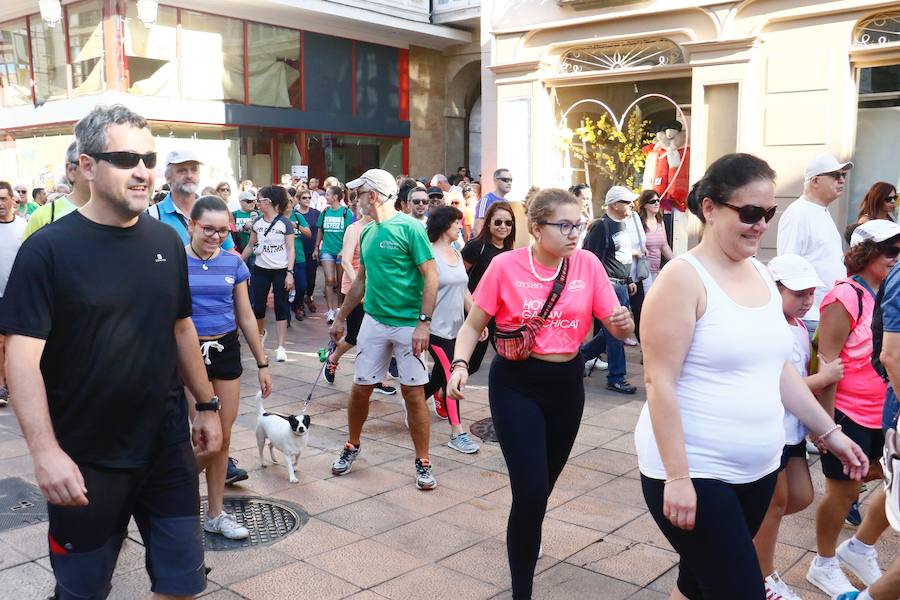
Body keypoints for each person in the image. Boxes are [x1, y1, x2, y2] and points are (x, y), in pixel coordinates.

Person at [0, 104, 222, 599]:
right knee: (82, 592)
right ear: (86, 166)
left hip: (166, 449)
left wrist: (206, 406)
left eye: (147, 158)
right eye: (124, 158)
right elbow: (20, 359)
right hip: (86, 460)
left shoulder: (167, 239)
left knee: (183, 583)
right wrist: (44, 453)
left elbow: (181, 326)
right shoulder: (49, 249)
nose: (141, 170)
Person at [634, 152, 867, 600]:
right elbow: (658, 382)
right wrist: (678, 478)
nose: (761, 224)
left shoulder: (763, 273)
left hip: (757, 471)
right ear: (710, 208)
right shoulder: (683, 279)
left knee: (697, 584)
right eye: (749, 212)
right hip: (698, 471)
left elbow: (777, 369)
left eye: (768, 213)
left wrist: (829, 432)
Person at [447, 188, 633, 600]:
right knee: (529, 492)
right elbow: (472, 326)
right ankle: (522, 591)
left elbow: (619, 330)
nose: (575, 234)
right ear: (536, 228)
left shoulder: (586, 264)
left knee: (541, 489)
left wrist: (623, 323)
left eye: (579, 225)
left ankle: (528, 531)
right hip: (516, 383)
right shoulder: (505, 266)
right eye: (565, 225)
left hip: (567, 384)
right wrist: (460, 365)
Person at [329, 169, 438, 490]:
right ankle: (352, 444)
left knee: (414, 394)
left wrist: (423, 323)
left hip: (408, 325)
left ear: (373, 195)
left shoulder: (411, 228)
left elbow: (431, 276)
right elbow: (361, 280)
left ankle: (423, 460)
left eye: (359, 193)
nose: (355, 200)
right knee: (360, 388)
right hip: (374, 322)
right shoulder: (367, 232)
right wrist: (340, 318)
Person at [807, 219, 899, 597]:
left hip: (881, 412)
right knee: (843, 493)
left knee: (888, 481)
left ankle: (857, 548)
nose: (896, 257)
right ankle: (823, 563)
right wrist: (826, 426)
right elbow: (827, 363)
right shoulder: (845, 296)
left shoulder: (886, 290)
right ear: (864, 253)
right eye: (889, 250)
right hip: (849, 414)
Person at [753, 254, 845, 600]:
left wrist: (813, 423)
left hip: (792, 431)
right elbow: (778, 383)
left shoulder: (797, 326)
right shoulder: (771, 327)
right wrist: (825, 377)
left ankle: (750, 537)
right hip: (773, 430)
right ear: (774, 289)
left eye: (810, 293)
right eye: (798, 293)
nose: (807, 301)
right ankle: (763, 577)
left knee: (800, 496)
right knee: (775, 504)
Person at [185, 195, 273, 537]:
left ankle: (215, 514)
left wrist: (263, 363)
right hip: (188, 354)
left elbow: (246, 316)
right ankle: (170, 494)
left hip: (226, 350)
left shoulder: (234, 263)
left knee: (222, 437)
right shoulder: (174, 261)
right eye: (208, 228)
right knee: (204, 437)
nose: (216, 236)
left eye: (223, 230)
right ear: (192, 224)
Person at [424, 206, 483, 454]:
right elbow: (420, 292)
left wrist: (475, 321)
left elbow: (464, 291)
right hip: (435, 329)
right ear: (444, 225)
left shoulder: (457, 253)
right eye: (456, 223)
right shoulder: (429, 255)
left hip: (457, 329)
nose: (461, 226)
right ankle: (457, 433)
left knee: (440, 375)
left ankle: (413, 399)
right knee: (452, 377)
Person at [321, 206, 397, 396]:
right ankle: (333, 359)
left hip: (379, 289)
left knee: (380, 334)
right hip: (355, 288)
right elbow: (345, 261)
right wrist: (360, 285)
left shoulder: (384, 228)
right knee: (354, 336)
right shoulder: (353, 229)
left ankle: (377, 378)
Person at [777, 154, 852, 332]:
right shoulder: (797, 213)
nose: (841, 180)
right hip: (811, 317)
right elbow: (787, 267)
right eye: (835, 175)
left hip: (827, 313)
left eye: (844, 176)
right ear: (816, 181)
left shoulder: (821, 211)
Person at [581, 186, 639, 393]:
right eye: (627, 202)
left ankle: (578, 358)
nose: (632, 205)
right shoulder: (601, 227)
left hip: (621, 284)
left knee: (610, 333)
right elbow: (590, 259)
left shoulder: (622, 225)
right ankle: (617, 377)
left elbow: (621, 256)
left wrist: (628, 279)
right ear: (615, 204)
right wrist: (601, 285)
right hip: (609, 285)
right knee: (616, 333)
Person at [241, 185, 295, 363]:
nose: (257, 202)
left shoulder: (284, 223)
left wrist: (289, 273)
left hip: (280, 270)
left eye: (260, 199)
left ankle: (281, 347)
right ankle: (260, 336)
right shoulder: (257, 223)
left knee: (281, 308)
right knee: (258, 307)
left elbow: (290, 249)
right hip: (261, 269)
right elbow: (250, 246)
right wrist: (238, 262)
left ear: (269, 202)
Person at [461, 200, 516, 374]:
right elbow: (458, 279)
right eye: (498, 222)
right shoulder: (477, 247)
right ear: (489, 223)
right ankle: (434, 392)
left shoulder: (509, 251)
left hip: (498, 316)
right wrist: (470, 308)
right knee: (469, 362)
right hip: (475, 312)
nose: (503, 226)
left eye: (508, 223)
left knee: (507, 360)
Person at [148, 150, 236, 251]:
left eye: (194, 170)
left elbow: (230, 254)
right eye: (182, 170)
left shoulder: (213, 210)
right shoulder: (152, 216)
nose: (189, 175)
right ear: (168, 177)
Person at [23, 142, 91, 239]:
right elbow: (27, 251)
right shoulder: (44, 215)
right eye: (89, 164)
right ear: (71, 170)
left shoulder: (116, 214)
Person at [0, 181, 26, 406]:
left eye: (3, 198)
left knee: (16, 343)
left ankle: (13, 383)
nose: (0, 203)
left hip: (19, 295)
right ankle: (1, 386)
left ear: (12, 200)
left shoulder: (23, 226)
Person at [313, 185, 353, 324]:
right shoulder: (324, 212)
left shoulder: (346, 213)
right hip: (327, 250)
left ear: (335, 197)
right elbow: (320, 231)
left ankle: (340, 309)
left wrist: (345, 249)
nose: (326, 197)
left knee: (342, 281)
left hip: (342, 251)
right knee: (330, 280)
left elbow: (350, 232)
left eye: (328, 194)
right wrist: (316, 248)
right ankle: (330, 310)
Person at [636, 189, 673, 292]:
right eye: (652, 201)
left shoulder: (660, 222)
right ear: (644, 205)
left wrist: (676, 261)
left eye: (658, 200)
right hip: (643, 271)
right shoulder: (639, 223)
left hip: (656, 270)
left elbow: (664, 246)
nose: (657, 203)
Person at [295, 189, 321, 315]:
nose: (307, 200)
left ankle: (309, 297)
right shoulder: (294, 214)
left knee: (311, 279)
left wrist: (317, 248)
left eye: (309, 197)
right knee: (301, 281)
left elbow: (320, 231)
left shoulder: (316, 213)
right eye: (304, 198)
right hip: (298, 251)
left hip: (311, 250)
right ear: (298, 199)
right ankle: (299, 303)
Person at [285, 196, 311, 321]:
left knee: (301, 286)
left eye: (290, 201)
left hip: (299, 257)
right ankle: (286, 316)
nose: (288, 204)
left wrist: (296, 226)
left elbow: (308, 233)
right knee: (283, 288)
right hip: (282, 259)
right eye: (285, 201)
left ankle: (296, 305)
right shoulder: (277, 218)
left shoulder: (297, 216)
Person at [474, 168, 512, 236]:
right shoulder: (485, 200)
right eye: (505, 180)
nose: (509, 183)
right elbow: (478, 226)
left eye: (510, 180)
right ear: (496, 180)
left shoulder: (506, 202)